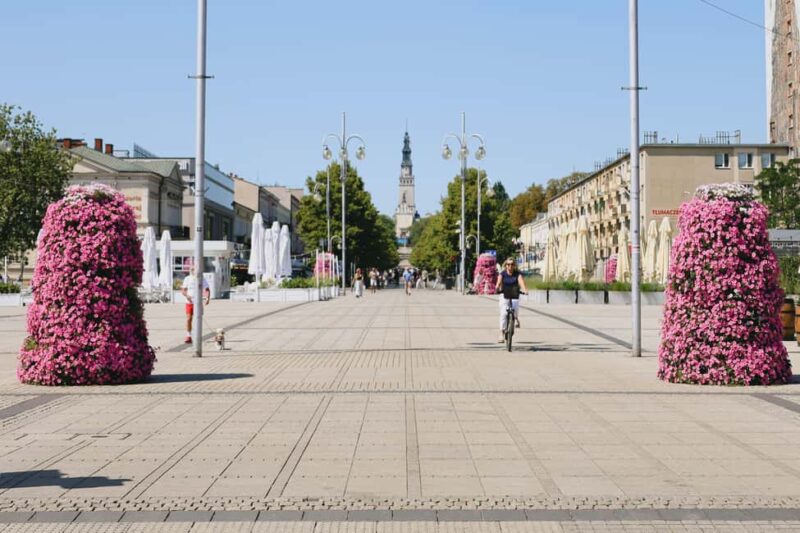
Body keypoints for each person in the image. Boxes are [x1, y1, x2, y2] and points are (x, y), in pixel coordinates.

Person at [495, 257, 527, 343]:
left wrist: (525, 290)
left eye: (512, 264)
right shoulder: (502, 274)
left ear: (514, 265)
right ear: (506, 265)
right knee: (503, 313)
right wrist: (497, 288)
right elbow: (498, 282)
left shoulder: (517, 274)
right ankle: (501, 333)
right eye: (508, 264)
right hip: (504, 294)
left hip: (514, 293)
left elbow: (521, 282)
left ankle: (515, 318)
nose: (510, 266)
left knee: (515, 306)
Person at [181, 268, 210, 344]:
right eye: (192, 270)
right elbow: (183, 290)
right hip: (189, 302)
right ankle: (188, 336)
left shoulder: (201, 278)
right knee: (189, 319)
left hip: (198, 302)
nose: (194, 271)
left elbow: (207, 289)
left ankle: (198, 335)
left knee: (198, 319)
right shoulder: (187, 278)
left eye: (195, 270)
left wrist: (207, 298)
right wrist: (187, 296)